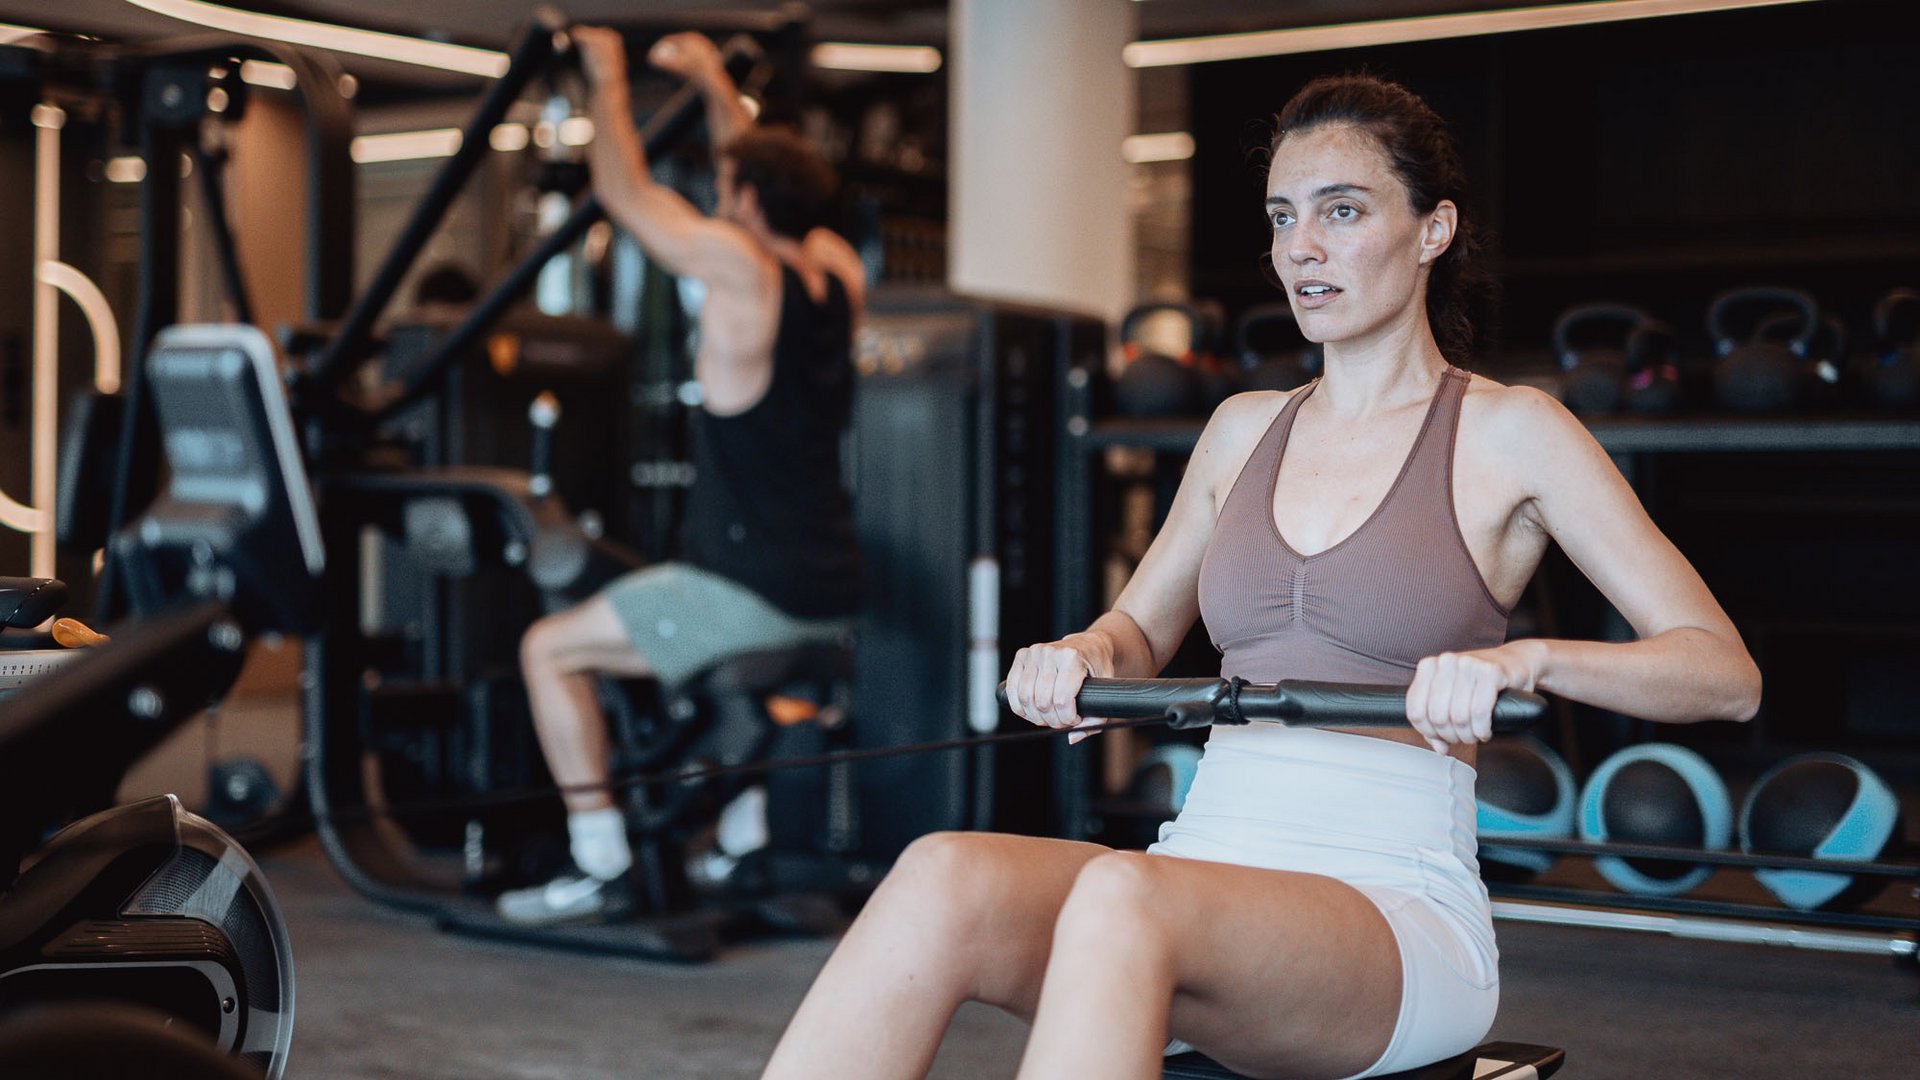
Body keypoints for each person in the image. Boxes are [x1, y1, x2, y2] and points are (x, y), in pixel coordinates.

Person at [760, 74, 1761, 1080]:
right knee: (941, 873)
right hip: (1194, 883)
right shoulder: (1241, 430)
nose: (1302, 248)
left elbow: (1722, 674)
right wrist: (1079, 654)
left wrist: (1526, 663)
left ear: (1434, 229)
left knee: (1125, 896)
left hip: (1393, 908)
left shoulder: (1512, 432)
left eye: (1342, 211)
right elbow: (1134, 633)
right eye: (1284, 217)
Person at [495, 29, 866, 926]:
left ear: (745, 201)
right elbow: (755, 171)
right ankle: (738, 845)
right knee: (652, 624)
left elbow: (625, 193)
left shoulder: (742, 270)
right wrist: (709, 84)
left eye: (731, 190)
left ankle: (601, 863)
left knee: (548, 648)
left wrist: (606, 76)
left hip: (748, 588)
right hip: (827, 585)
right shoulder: (835, 268)